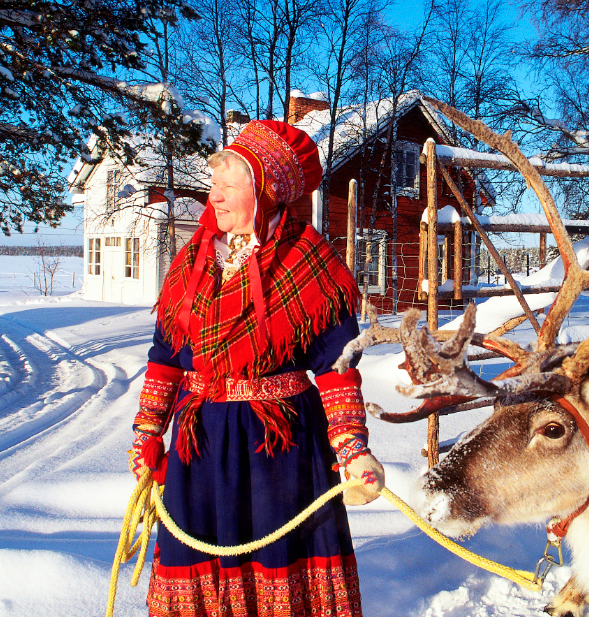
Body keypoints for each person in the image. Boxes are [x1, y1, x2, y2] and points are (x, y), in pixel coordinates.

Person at [128, 119, 385, 617]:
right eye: (214, 185)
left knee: (281, 571)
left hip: (280, 453)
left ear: (266, 190)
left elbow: (337, 369)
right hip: (197, 449)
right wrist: (147, 433)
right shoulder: (191, 263)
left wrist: (353, 448)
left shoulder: (312, 264)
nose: (214, 196)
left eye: (228, 185)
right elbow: (164, 358)